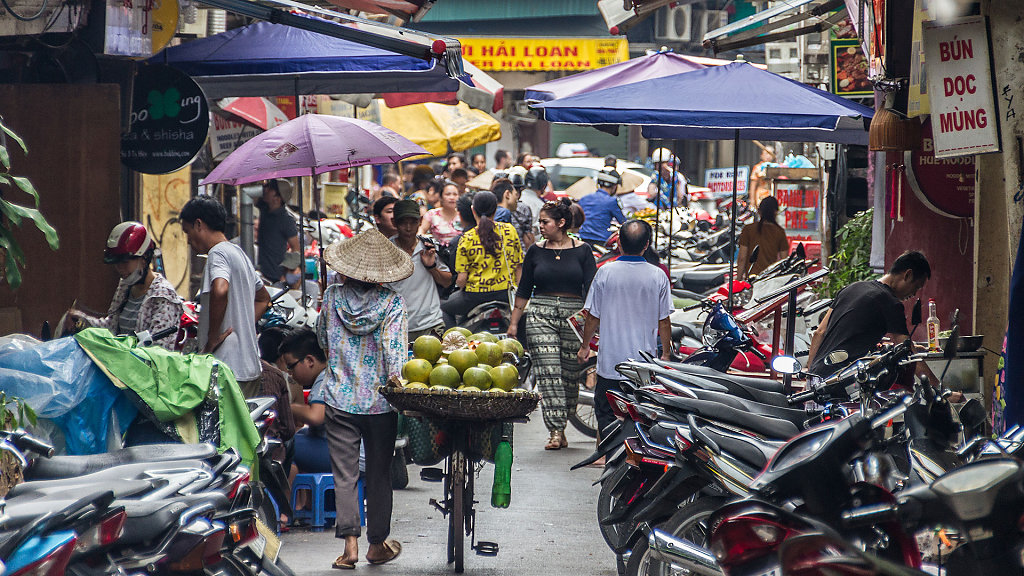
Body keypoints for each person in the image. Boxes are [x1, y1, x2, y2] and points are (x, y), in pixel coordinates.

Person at [291, 230, 412, 569]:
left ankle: (350, 547)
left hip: (338, 398)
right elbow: (395, 356)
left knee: (344, 474)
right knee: (378, 474)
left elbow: (324, 342)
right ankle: (377, 545)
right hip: (379, 404)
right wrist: (398, 386)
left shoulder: (331, 297)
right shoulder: (392, 303)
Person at [509, 199, 596, 450]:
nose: (540, 226)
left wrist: (591, 328)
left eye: (545, 222)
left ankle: (563, 419)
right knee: (549, 373)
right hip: (540, 315)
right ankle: (556, 431)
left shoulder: (583, 251)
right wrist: (514, 323)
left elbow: (591, 291)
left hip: (573, 316)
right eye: (540, 222)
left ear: (561, 223)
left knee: (569, 376)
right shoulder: (536, 250)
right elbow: (524, 288)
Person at [577, 220, 673, 437]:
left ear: (619, 243)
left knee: (606, 414)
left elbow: (592, 317)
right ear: (646, 244)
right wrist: (665, 354)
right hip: (643, 365)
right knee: (641, 416)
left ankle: (611, 459)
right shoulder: (658, 275)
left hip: (610, 363)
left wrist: (585, 346)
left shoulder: (605, 273)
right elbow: (664, 321)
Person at [180, 196, 272, 397]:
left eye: (187, 232)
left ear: (199, 224)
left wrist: (212, 338)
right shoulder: (239, 254)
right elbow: (263, 298)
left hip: (228, 368)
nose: (188, 240)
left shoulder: (218, 253)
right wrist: (243, 323)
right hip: (249, 367)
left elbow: (220, 289)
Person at [808, 251, 932, 378]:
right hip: (841, 382)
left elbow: (820, 332)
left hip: (818, 375)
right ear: (908, 275)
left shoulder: (851, 288)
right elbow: (908, 352)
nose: (914, 294)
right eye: (916, 287)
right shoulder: (890, 302)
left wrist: (809, 376)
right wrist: (940, 390)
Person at [69, 222, 183, 350]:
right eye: (117, 263)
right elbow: (112, 326)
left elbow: (159, 348)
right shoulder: (125, 285)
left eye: (125, 262)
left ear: (144, 258)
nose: (120, 269)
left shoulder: (163, 295)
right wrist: (83, 321)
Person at [442, 191, 523, 328]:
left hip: (474, 297)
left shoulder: (466, 238)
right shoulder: (509, 230)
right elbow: (518, 267)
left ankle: (453, 343)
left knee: (443, 308)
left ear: (473, 210)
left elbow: (462, 280)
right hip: (505, 294)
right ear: (496, 209)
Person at [389, 200, 453, 340]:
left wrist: (431, 267)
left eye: (412, 222)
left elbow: (447, 282)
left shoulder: (429, 248)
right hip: (396, 326)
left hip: (431, 324)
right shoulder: (386, 251)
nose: (408, 228)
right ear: (394, 223)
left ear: (420, 222)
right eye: (403, 223)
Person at [256, 179, 300, 282]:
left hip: (275, 276)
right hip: (259, 272)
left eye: (270, 188)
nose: (265, 189)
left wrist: (286, 270)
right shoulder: (263, 209)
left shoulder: (286, 220)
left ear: (277, 198)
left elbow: (296, 249)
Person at [737, 196, 790, 280]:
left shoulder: (748, 229)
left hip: (752, 279)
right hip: (769, 280)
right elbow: (784, 260)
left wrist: (738, 279)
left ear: (759, 211)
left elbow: (742, 258)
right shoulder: (779, 232)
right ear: (776, 212)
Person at [578, 168, 628, 247]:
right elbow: (623, 222)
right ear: (614, 186)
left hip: (582, 239)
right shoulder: (612, 201)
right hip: (601, 241)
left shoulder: (584, 198)